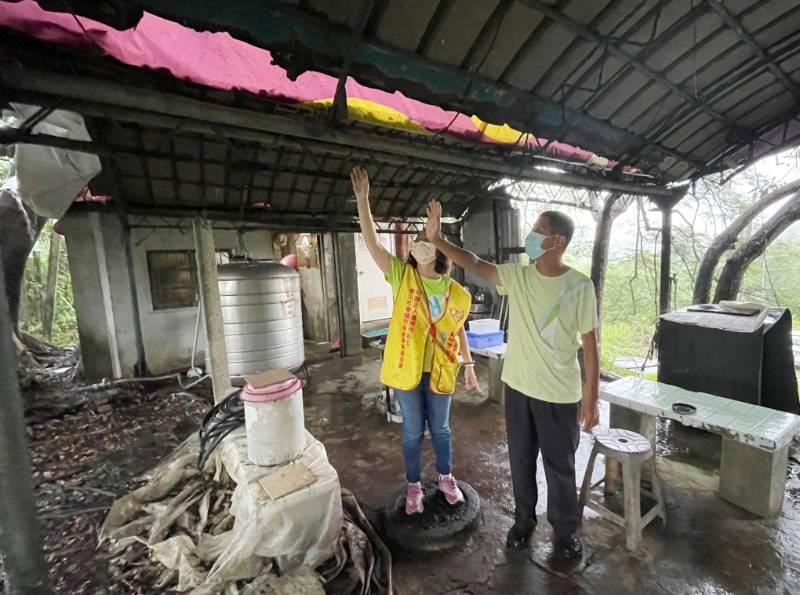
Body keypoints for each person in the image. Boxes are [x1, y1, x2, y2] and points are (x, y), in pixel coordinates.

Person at [426, 199, 600, 559]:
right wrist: (438, 239)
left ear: (557, 242)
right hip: (519, 389)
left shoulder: (580, 287)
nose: (531, 237)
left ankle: (565, 533)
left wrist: (591, 398)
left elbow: (591, 348)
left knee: (560, 468)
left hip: (559, 395)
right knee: (520, 461)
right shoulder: (518, 276)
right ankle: (523, 523)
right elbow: (473, 262)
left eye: (539, 231)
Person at [350, 166, 480, 515]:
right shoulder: (400, 275)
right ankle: (413, 486)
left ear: (438, 252)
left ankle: (446, 478)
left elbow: (456, 329)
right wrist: (363, 200)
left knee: (440, 429)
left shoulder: (454, 290)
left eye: (426, 239)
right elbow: (372, 241)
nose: (420, 244)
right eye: (418, 241)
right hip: (407, 371)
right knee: (411, 432)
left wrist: (468, 366)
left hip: (441, 371)